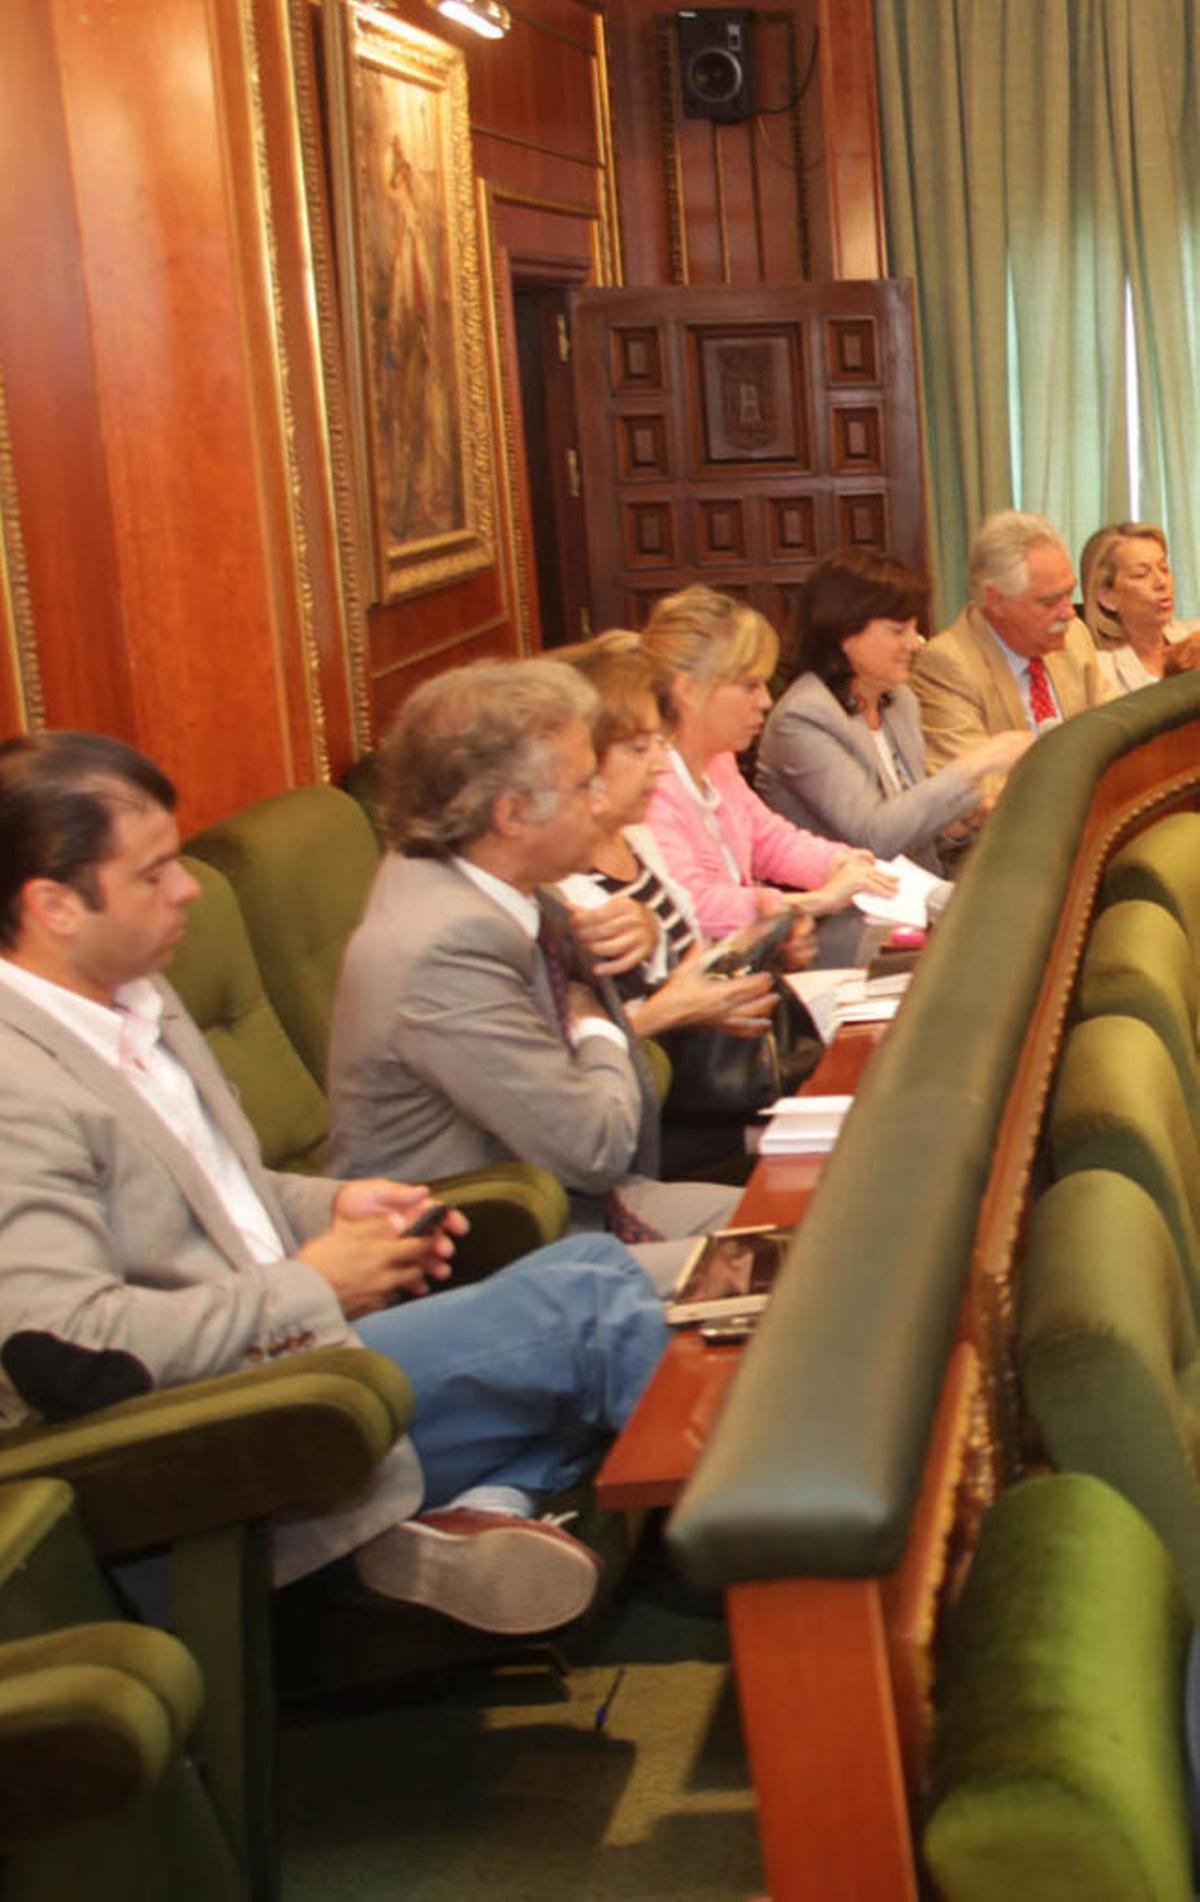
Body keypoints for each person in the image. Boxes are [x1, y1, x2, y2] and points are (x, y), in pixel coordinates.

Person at [0, 731, 673, 1636]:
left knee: (585, 1271)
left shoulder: (127, 997)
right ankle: (786, 1555)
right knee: (589, 1304)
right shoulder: (16, 1086)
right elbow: (71, 1350)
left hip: (296, 1358)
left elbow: (212, 1193)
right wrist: (315, 1284)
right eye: (154, 873)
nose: (188, 887)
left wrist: (332, 1205)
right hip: (211, 1437)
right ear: (53, 905)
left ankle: (472, 1512)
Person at [327, 660, 741, 1281]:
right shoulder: (443, 945)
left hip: (579, 1208)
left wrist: (640, 934)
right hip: (497, 1254)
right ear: (512, 814)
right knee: (796, 1265)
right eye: (583, 786)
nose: (601, 804)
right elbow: (595, 1146)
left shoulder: (492, 884)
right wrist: (594, 1021)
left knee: (820, 1224)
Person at [554, 631, 800, 1176]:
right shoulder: (557, 895)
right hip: (665, 1137)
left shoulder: (637, 840)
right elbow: (573, 1065)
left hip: (716, 1094)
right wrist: (675, 1010)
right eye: (640, 749)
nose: (661, 768)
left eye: (658, 745)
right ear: (580, 764)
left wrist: (756, 944)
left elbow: (688, 968)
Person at [637, 585, 896, 959]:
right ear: (689, 690)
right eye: (749, 686)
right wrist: (816, 902)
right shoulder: (653, 784)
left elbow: (769, 840)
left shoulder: (718, 762)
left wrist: (836, 862)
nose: (765, 701)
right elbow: (695, 904)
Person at [755, 550, 1033, 875]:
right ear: (846, 633)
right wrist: (980, 761)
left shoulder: (899, 700)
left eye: (914, 629)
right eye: (898, 630)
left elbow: (908, 830)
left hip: (916, 895)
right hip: (848, 913)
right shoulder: (803, 719)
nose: (915, 643)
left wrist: (953, 827)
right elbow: (875, 837)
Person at [912, 510, 1114, 774]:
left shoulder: (1074, 636)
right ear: (996, 600)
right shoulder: (946, 665)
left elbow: (1114, 727)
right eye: (1049, 601)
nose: (1069, 613)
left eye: (1069, 593)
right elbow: (973, 787)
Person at [1080, 521, 1199, 694]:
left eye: (1164, 568)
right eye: (1141, 574)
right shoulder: (1099, 671)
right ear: (1107, 597)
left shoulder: (1194, 639)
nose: (1161, 582)